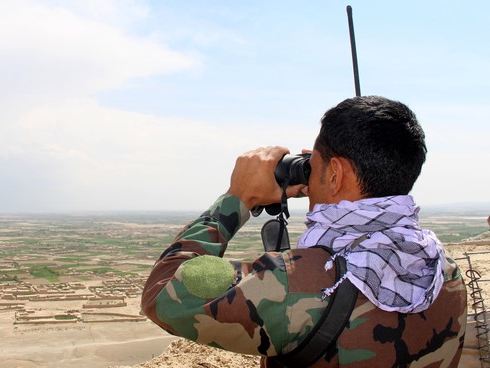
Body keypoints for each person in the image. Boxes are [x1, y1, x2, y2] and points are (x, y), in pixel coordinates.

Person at [141, 96, 467, 367]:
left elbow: (164, 292)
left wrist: (239, 197)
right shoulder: (441, 266)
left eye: (317, 164)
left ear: (337, 174)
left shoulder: (295, 286)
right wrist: (322, 176)